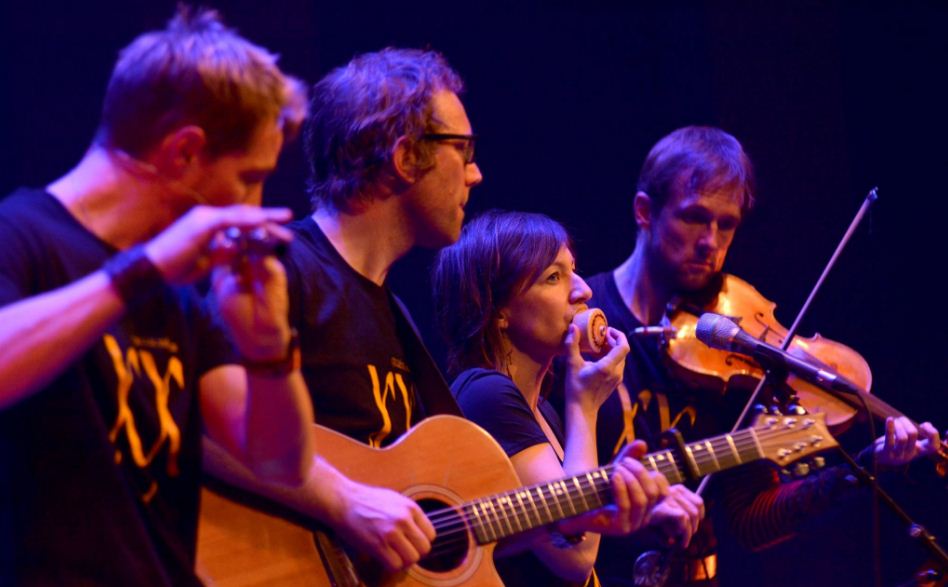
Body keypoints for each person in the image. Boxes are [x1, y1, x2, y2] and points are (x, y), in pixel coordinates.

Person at [0, 8, 316, 586]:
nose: (253, 205)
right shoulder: (18, 237)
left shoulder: (181, 298)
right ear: (185, 151)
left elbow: (281, 462)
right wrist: (140, 272)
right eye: (248, 176)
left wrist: (270, 349)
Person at [584, 125, 945, 586]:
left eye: (727, 224)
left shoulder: (732, 345)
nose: (710, 243)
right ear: (644, 212)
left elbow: (754, 521)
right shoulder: (586, 317)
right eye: (694, 217)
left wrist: (862, 469)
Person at [203, 47, 483, 572]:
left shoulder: (394, 314)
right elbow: (197, 420)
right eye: (463, 150)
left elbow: (441, 518)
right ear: (405, 158)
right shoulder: (276, 272)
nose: (475, 174)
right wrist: (345, 502)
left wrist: (573, 514)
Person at [432, 210, 705, 587]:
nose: (583, 290)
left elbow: (570, 525)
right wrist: (584, 406)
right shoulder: (487, 395)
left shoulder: (540, 409)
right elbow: (576, 556)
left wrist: (643, 504)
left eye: (573, 270)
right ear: (498, 312)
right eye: (554, 277)